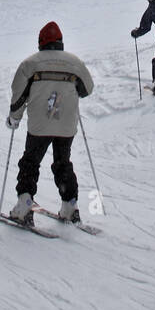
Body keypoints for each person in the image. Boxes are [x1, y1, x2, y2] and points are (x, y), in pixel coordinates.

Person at [6, 22, 94, 226]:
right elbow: (87, 89)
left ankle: (24, 205)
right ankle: (70, 206)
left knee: (31, 162)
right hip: (66, 123)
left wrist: (14, 118)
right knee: (62, 163)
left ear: (41, 42)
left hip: (39, 124)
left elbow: (18, 95)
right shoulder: (75, 63)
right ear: (60, 41)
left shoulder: (30, 64)